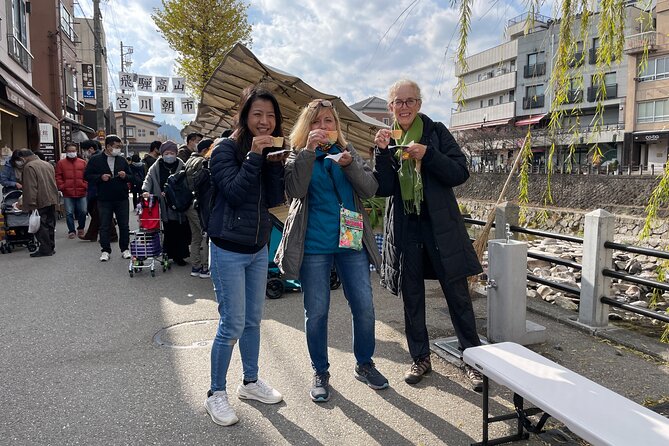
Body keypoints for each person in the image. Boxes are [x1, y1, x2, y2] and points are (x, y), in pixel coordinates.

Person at [373, 79, 484, 391]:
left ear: (419, 105)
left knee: (458, 295)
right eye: (399, 101)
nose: (405, 107)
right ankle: (420, 358)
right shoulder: (389, 138)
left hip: (440, 225)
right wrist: (382, 155)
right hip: (406, 226)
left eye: (410, 101)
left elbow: (460, 171)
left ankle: (473, 360)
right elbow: (383, 188)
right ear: (390, 107)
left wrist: (428, 155)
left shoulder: (435, 132)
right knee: (412, 296)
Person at [275, 98, 388, 403]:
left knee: (364, 306)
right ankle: (320, 371)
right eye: (316, 122)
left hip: (350, 240)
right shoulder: (297, 156)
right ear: (305, 127)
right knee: (317, 312)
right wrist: (309, 153)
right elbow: (295, 191)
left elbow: (370, 189)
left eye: (328, 122)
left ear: (337, 127)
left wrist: (350, 166)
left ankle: (365, 364)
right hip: (314, 245)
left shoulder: (347, 153)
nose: (322, 127)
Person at [205, 85, 286, 426]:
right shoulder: (224, 149)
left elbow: (273, 198)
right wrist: (254, 156)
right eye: (257, 114)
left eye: (270, 116)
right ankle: (215, 393)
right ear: (245, 116)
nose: (265, 121)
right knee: (232, 323)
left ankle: (250, 382)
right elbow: (236, 193)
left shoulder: (268, 150)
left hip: (257, 248)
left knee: (254, 321)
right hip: (227, 249)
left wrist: (276, 165)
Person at [84, 135, 136, 262]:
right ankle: (105, 250)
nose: (118, 149)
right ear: (108, 146)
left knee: (124, 225)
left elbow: (132, 177)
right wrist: (100, 177)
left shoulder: (122, 160)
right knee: (104, 225)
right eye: (116, 147)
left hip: (122, 197)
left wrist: (125, 176)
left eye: (120, 147)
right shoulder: (95, 160)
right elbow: (87, 176)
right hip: (104, 198)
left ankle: (125, 249)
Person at [142, 141, 190, 266]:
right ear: (162, 154)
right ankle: (168, 253)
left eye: (172, 153)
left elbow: (187, 181)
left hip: (178, 201)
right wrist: (146, 191)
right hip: (163, 202)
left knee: (180, 229)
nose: (169, 155)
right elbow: (149, 178)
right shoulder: (156, 165)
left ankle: (179, 256)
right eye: (167, 153)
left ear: (176, 153)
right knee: (168, 229)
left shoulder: (182, 165)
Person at [15, 149, 59, 257]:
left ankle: (45, 248)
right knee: (50, 224)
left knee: (40, 225)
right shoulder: (47, 164)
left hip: (39, 199)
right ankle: (51, 247)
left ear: (22, 158)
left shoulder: (29, 167)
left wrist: (30, 203)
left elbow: (31, 187)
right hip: (51, 197)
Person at [183, 138, 213, 278]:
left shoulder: (189, 160)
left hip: (188, 203)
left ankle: (195, 266)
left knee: (195, 237)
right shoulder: (202, 162)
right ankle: (205, 267)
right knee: (206, 235)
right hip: (198, 205)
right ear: (205, 150)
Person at [80, 140, 117, 242]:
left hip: (97, 191)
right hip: (100, 190)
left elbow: (88, 175)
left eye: (84, 150)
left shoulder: (95, 159)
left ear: (91, 149)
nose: (84, 153)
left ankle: (110, 235)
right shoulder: (101, 157)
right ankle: (93, 234)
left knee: (101, 213)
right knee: (98, 214)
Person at [55, 143, 88, 239]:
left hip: (82, 191)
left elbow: (87, 175)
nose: (72, 153)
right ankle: (71, 230)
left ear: (77, 151)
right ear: (66, 152)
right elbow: (58, 176)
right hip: (67, 192)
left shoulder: (83, 162)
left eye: (73, 151)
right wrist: (62, 186)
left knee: (83, 211)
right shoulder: (61, 163)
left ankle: (81, 228)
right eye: (69, 151)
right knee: (69, 213)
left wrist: (85, 185)